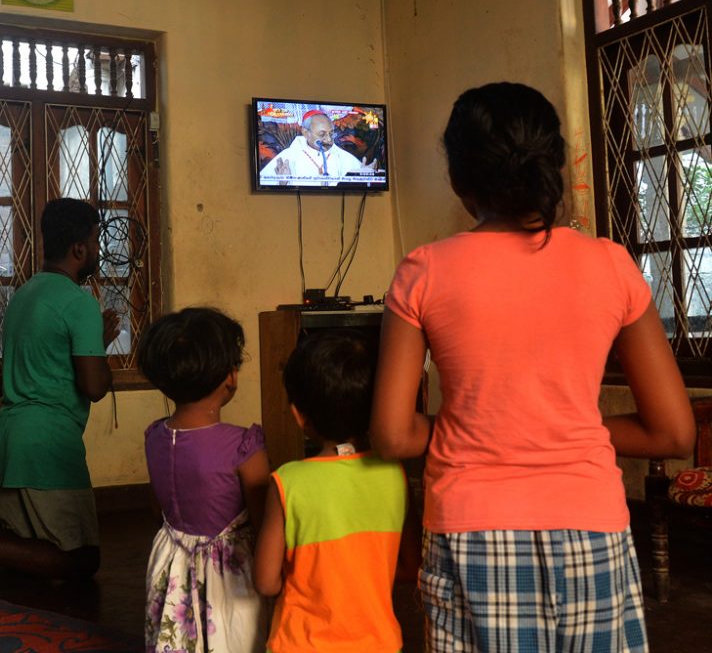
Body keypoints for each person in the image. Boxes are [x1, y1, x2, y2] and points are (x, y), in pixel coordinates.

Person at [370, 82, 696, 653]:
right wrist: (576, 428)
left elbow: (393, 434)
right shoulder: (611, 265)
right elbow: (673, 430)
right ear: (554, 165)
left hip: (470, 528)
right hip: (591, 524)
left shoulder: (424, 271)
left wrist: (469, 424)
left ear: (458, 180)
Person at [0, 198, 119, 580]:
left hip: (11, 435)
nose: (98, 251)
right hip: (49, 443)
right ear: (79, 249)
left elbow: (49, 359)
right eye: (95, 242)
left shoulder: (25, 294)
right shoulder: (78, 303)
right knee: (81, 558)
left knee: (29, 559)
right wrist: (102, 359)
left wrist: (93, 346)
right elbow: (94, 386)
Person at [254, 330, 418, 652]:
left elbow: (266, 580)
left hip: (302, 644)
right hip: (379, 643)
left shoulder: (288, 482)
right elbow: (411, 566)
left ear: (299, 415)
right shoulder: (394, 474)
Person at [138, 307, 270, 653]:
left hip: (171, 563)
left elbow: (158, 508)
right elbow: (264, 522)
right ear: (231, 377)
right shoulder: (244, 446)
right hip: (228, 576)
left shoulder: (154, 436)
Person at [259, 109, 375, 184]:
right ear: (306, 133)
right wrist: (282, 182)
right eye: (322, 134)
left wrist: (365, 177)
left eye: (331, 134)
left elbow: (358, 185)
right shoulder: (288, 157)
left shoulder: (342, 156)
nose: (329, 140)